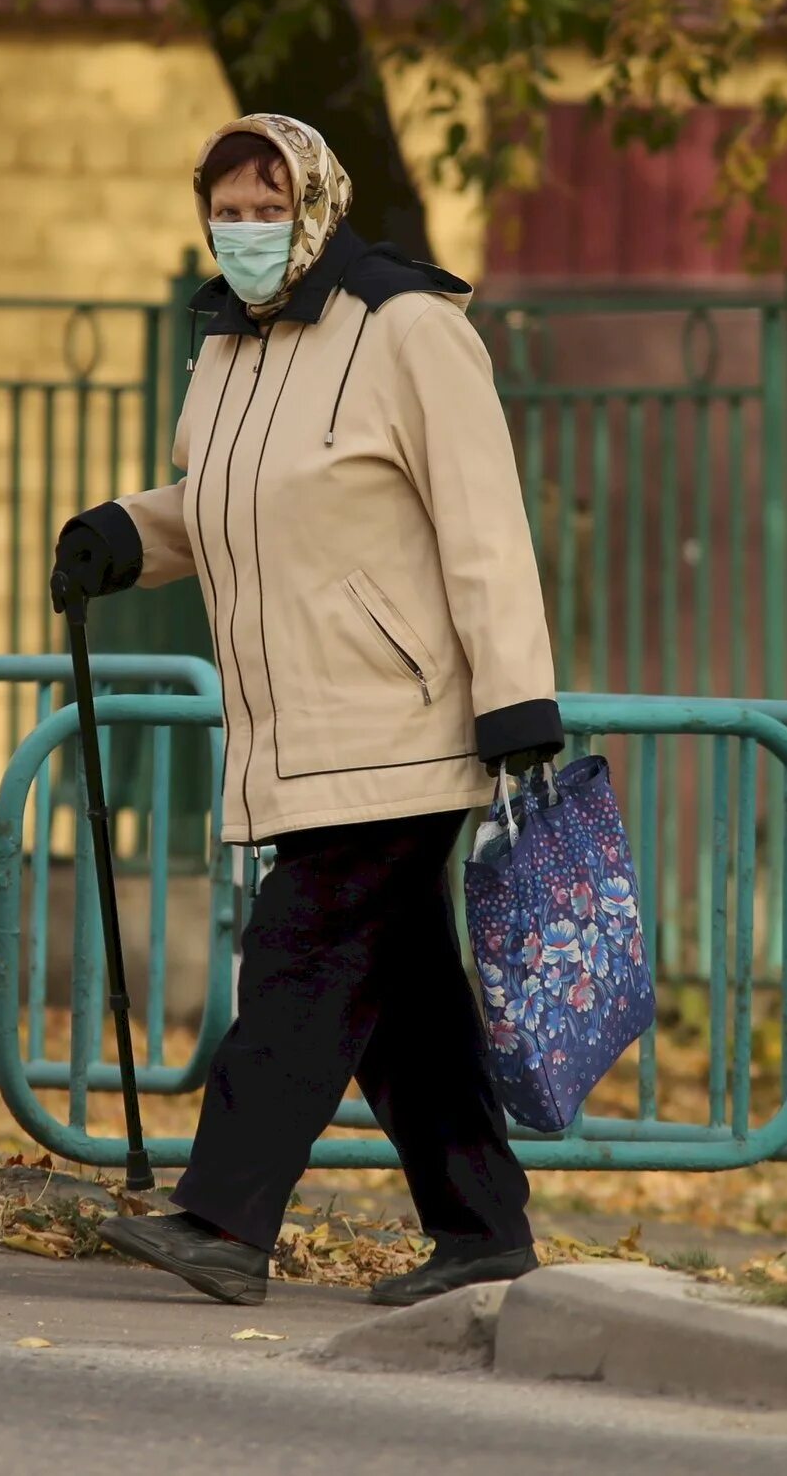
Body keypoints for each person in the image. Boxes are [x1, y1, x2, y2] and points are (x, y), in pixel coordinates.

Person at [52, 113, 562, 1309]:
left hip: (404, 718)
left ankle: (226, 1221)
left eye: (264, 207)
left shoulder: (410, 329)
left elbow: (481, 521)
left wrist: (514, 697)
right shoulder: (230, 347)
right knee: (402, 1000)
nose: (242, 230)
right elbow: (239, 501)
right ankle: (482, 1226)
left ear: (317, 206)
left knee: (299, 952)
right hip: (298, 729)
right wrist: (129, 533)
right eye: (224, 209)